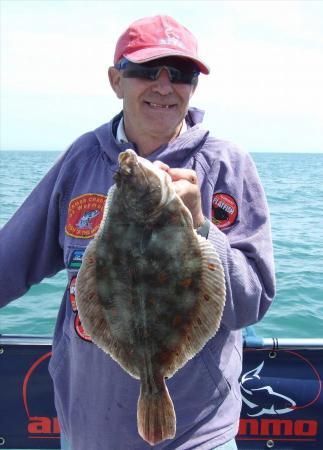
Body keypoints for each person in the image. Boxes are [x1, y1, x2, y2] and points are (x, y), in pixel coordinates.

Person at [0, 15, 275, 450]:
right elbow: (9, 259)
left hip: (197, 435)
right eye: (147, 71)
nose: (164, 87)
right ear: (116, 81)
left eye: (180, 74)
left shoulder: (226, 164)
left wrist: (202, 225)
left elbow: (253, 298)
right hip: (86, 428)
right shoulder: (82, 158)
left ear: (193, 87)